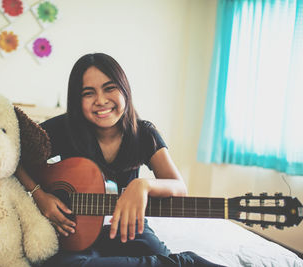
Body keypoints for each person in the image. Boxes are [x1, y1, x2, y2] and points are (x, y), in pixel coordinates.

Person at [15, 53, 225, 267]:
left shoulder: (144, 134)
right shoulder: (62, 128)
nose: (101, 100)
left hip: (129, 228)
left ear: (125, 89)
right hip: (74, 233)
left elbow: (179, 187)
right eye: (89, 93)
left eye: (109, 88)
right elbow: (14, 157)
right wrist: (38, 195)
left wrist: (142, 185)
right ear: (78, 100)